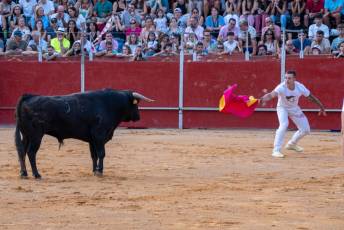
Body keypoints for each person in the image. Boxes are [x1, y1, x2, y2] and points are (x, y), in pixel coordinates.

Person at [260, 70, 326, 158]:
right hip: (282, 107)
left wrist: (321, 106)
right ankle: (276, 150)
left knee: (306, 130)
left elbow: (311, 97)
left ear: (294, 79)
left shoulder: (300, 87)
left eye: (289, 78)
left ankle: (291, 144)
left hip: (294, 108)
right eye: (286, 78)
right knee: (284, 125)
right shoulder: (281, 87)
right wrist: (261, 100)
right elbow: (271, 95)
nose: (287, 80)